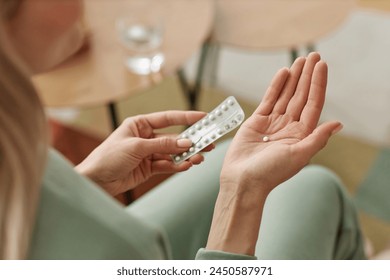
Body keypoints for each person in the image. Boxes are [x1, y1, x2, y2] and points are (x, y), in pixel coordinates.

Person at [0, 0, 366, 260]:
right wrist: (242, 196)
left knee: (224, 158)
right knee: (317, 189)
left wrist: (86, 184)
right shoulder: (122, 246)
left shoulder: (14, 140)